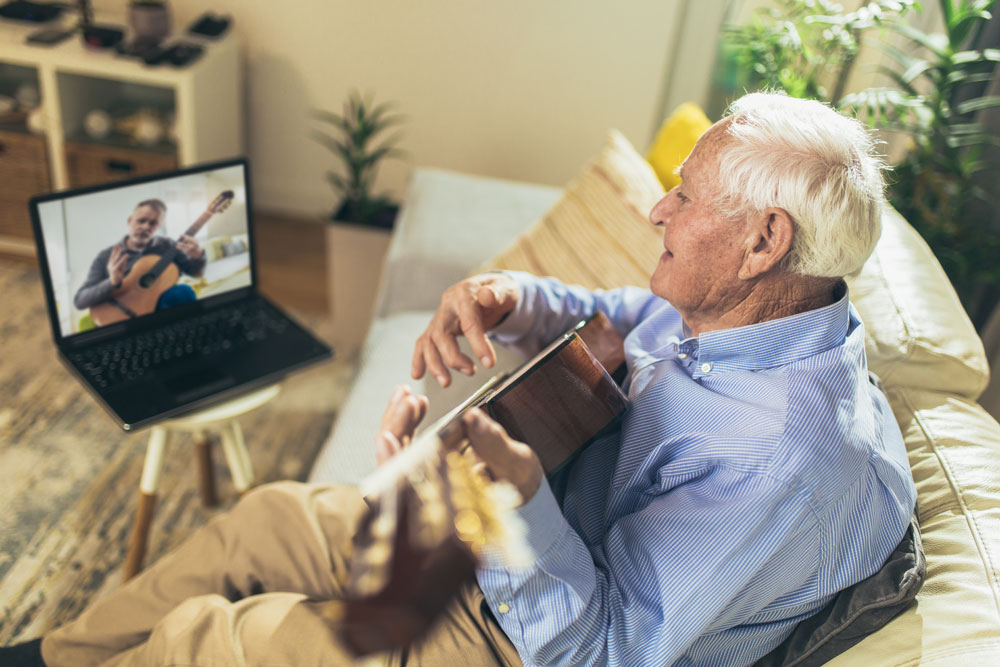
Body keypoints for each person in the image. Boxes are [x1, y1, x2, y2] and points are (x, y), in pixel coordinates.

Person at [1, 92, 916, 666]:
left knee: (214, 636)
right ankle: (48, 656)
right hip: (521, 550)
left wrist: (493, 505)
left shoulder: (787, 460)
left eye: (686, 195)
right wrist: (507, 295)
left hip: (527, 637)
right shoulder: (748, 310)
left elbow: (600, 653)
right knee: (270, 516)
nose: (655, 208)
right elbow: (618, 316)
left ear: (765, 241)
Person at [73, 199, 206, 316]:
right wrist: (112, 281)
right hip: (125, 316)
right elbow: (80, 301)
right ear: (129, 221)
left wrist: (198, 256)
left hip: (164, 309)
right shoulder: (106, 256)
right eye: (141, 220)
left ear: (159, 226)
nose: (146, 227)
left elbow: (196, 273)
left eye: (153, 223)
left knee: (183, 291)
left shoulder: (169, 245)